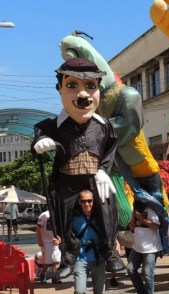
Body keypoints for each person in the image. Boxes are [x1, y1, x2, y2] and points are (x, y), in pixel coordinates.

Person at [32, 57, 118, 270]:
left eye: (90, 86)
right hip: (66, 178)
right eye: (72, 85)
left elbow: (111, 147)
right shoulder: (50, 126)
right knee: (62, 211)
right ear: (59, 89)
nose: (83, 94)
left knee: (106, 205)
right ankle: (68, 252)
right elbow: (38, 141)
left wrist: (104, 170)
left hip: (95, 176)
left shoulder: (104, 126)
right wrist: (40, 143)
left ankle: (109, 249)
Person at [54, 189, 108, 294]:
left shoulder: (101, 217)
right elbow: (65, 235)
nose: (87, 204)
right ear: (79, 202)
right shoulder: (74, 218)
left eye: (89, 200)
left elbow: (110, 230)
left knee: (100, 293)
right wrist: (59, 240)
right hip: (80, 258)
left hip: (98, 258)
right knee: (79, 291)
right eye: (83, 201)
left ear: (94, 201)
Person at [127, 200, 160, 294]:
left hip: (151, 248)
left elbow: (155, 226)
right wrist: (133, 217)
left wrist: (142, 219)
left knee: (147, 273)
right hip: (137, 247)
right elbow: (131, 227)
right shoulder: (134, 211)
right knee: (130, 269)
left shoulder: (150, 211)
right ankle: (141, 292)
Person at [36, 209, 62, 283]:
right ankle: (43, 274)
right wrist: (40, 240)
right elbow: (38, 228)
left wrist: (59, 238)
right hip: (46, 241)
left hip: (55, 241)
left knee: (56, 260)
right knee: (47, 261)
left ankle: (55, 276)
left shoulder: (58, 215)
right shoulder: (44, 215)